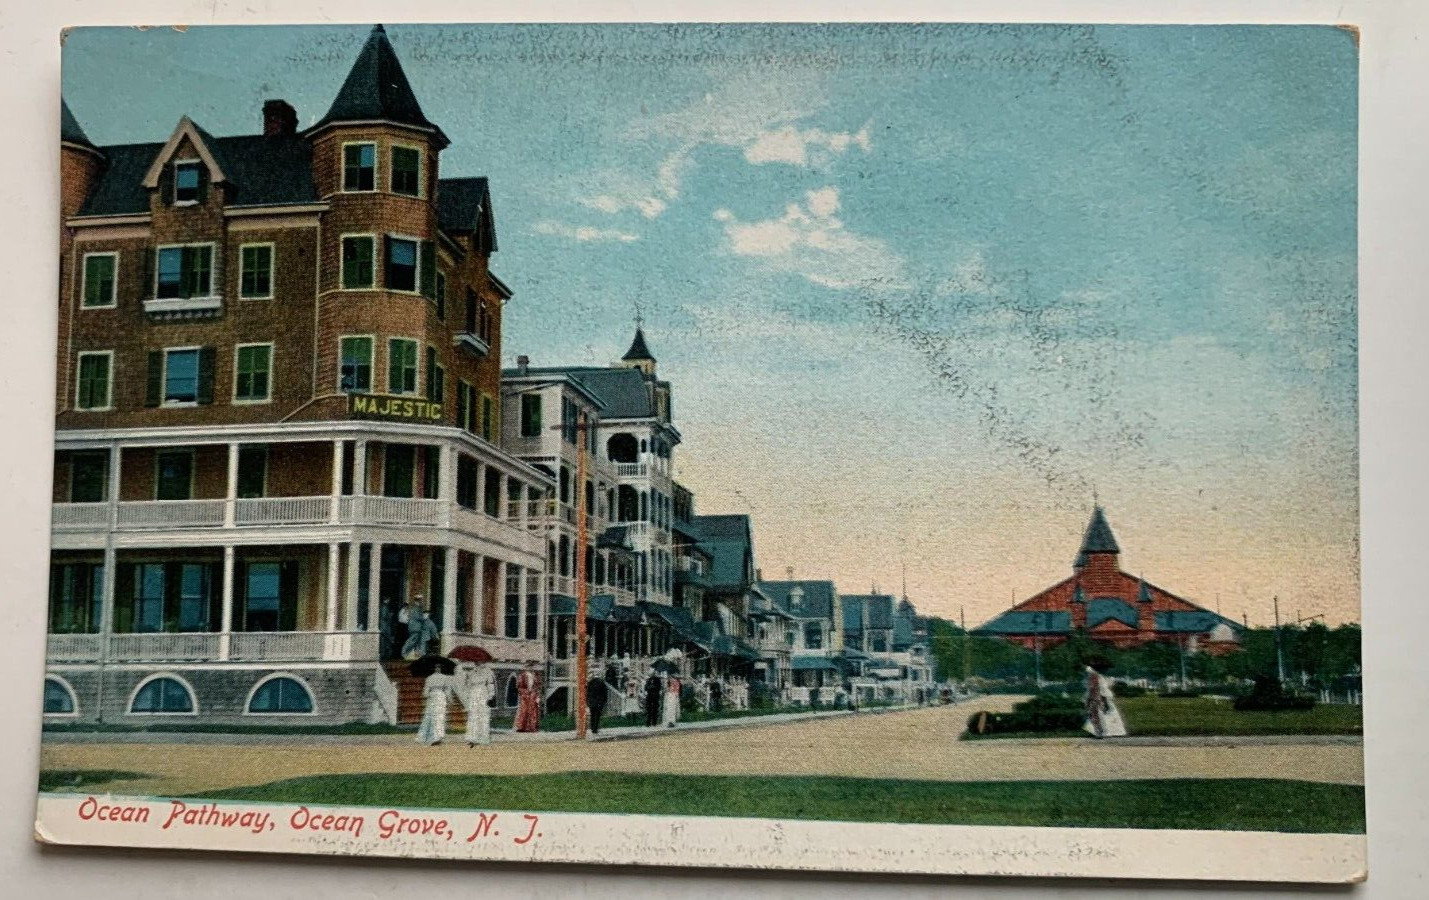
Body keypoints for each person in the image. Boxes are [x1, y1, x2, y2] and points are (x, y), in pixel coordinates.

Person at [416, 660, 456, 746]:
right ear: (435, 669)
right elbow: (426, 692)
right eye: (437, 667)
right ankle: (434, 737)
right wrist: (450, 699)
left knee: (439, 717)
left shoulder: (435, 678)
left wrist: (450, 699)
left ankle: (437, 737)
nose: (438, 669)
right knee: (432, 716)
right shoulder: (432, 678)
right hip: (436, 697)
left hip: (438, 697)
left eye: (438, 667)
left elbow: (446, 690)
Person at [1083, 662, 1128, 739]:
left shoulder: (1096, 676)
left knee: (1098, 714)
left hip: (1101, 697)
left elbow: (1094, 688)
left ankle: (1102, 732)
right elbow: (1095, 688)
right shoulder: (1097, 676)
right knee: (1101, 714)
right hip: (1102, 697)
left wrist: (1092, 698)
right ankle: (1104, 731)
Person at [461, 662, 496, 747]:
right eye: (476, 663)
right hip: (473, 694)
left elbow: (490, 684)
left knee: (483, 715)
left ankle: (482, 738)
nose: (478, 665)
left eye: (479, 663)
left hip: (483, 694)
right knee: (473, 715)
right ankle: (472, 737)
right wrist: (467, 680)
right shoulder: (470, 673)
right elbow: (468, 686)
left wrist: (491, 695)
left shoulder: (488, 673)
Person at [399, 595, 438, 660]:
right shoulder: (415, 608)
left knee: (415, 642)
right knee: (412, 641)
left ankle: (410, 654)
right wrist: (424, 617)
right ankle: (404, 653)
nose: (421, 602)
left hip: (417, 628)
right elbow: (417, 617)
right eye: (420, 600)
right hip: (415, 628)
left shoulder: (417, 608)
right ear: (418, 601)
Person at [513, 667, 542, 733]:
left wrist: (537, 695)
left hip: (533, 695)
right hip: (525, 696)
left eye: (531, 667)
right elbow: (519, 686)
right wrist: (525, 693)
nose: (530, 668)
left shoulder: (535, 676)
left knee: (533, 710)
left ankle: (532, 727)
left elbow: (538, 687)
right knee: (524, 710)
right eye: (529, 667)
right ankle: (522, 727)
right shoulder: (522, 676)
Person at [586, 666, 613, 736]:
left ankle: (592, 728)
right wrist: (605, 700)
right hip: (599, 702)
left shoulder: (590, 682)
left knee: (592, 715)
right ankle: (595, 728)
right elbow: (604, 693)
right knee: (597, 715)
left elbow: (588, 692)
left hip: (592, 701)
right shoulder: (602, 683)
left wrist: (587, 700)